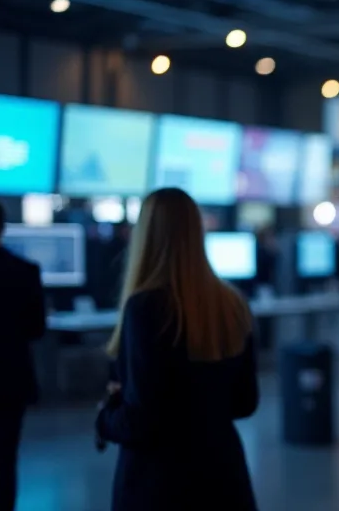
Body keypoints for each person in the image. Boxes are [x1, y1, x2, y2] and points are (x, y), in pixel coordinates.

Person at [95, 188, 259, 511]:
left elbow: (141, 420)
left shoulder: (145, 308)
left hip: (161, 484)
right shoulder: (233, 304)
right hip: (223, 476)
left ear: (144, 236)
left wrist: (105, 417)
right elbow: (245, 402)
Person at [0, 198, 47, 511]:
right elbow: (37, 329)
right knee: (4, 461)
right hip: (10, 380)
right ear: (3, 227)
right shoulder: (26, 271)